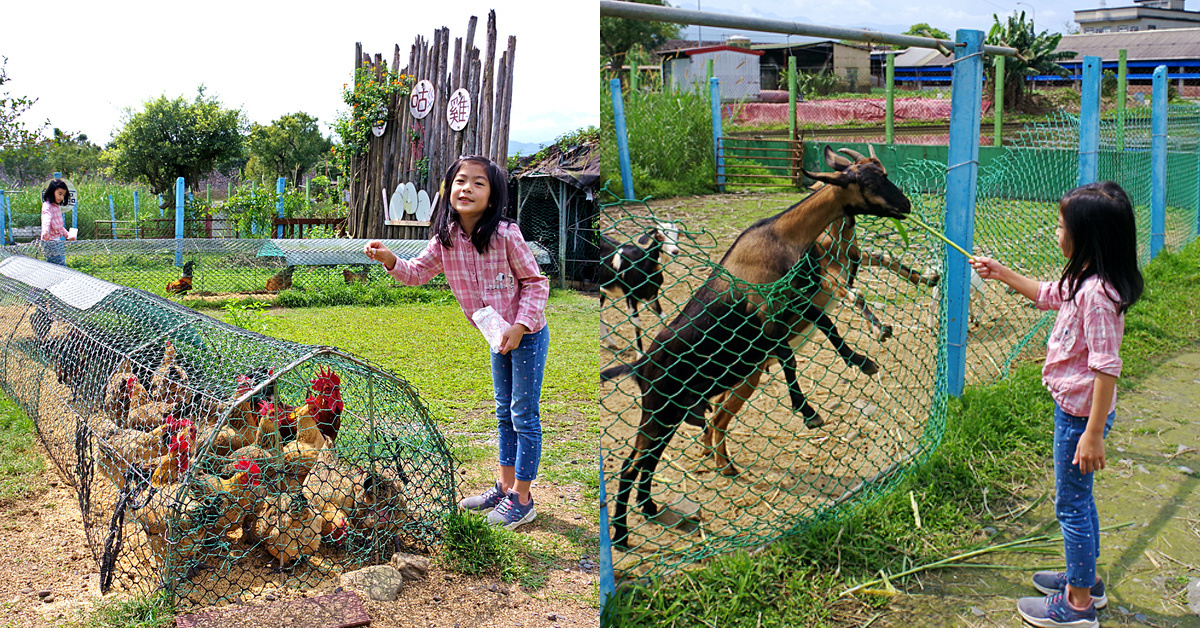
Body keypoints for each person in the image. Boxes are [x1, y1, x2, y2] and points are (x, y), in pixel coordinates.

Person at [970, 181, 1143, 628]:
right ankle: (1083, 580)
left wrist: (1091, 433)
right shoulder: (1084, 278)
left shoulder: (1097, 295)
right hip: (1076, 412)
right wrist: (1002, 272)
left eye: (1061, 225)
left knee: (1070, 506)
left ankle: (1078, 605)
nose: (1056, 231)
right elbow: (1046, 294)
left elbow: (1107, 367)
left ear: (1087, 236)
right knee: (1078, 502)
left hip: (1080, 417)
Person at [364, 156, 550, 531]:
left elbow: (535, 283)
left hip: (525, 335)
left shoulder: (506, 235)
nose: (467, 188)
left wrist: (520, 325)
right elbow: (416, 274)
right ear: (448, 190)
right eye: (460, 181)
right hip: (495, 337)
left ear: (494, 195)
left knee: (523, 415)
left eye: (478, 183)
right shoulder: (445, 240)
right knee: (503, 413)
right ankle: (504, 486)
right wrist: (389, 259)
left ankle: (522, 499)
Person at [41, 178, 75, 266]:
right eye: (59, 194)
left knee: (52, 266)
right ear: (52, 192)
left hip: (57, 242)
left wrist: (67, 235)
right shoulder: (47, 206)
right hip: (50, 242)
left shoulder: (57, 206)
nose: (61, 197)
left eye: (63, 195)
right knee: (61, 266)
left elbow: (59, 226)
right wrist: (45, 231)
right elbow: (46, 220)